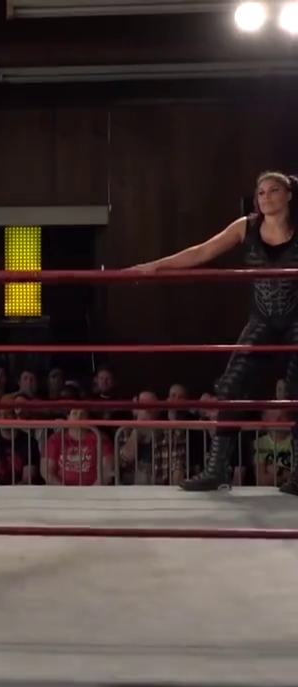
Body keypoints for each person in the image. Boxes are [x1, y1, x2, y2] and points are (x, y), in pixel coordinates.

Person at [131, 171, 298, 493]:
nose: (266, 197)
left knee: (296, 391)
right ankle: (217, 469)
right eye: (261, 192)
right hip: (262, 318)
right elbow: (201, 252)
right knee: (231, 385)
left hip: (296, 319)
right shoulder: (246, 227)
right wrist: (155, 265)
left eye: (274, 190)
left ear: (289, 195)